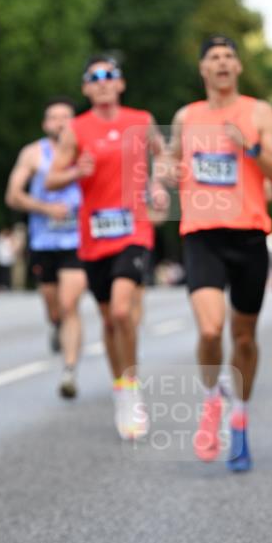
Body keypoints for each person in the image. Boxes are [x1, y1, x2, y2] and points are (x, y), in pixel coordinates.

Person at [167, 35, 272, 471]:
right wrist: (162, 173)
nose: (221, 63)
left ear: (237, 68)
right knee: (209, 330)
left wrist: (251, 148)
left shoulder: (259, 113)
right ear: (203, 69)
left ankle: (239, 420)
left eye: (228, 57)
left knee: (243, 338)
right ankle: (210, 401)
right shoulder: (187, 117)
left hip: (248, 237)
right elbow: (169, 168)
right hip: (202, 234)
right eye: (213, 57)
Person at [47, 57, 169, 436]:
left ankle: (131, 390)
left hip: (134, 228)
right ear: (86, 88)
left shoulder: (141, 119)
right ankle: (120, 387)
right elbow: (52, 177)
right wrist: (73, 172)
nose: (102, 83)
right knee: (106, 318)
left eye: (109, 76)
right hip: (95, 235)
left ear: (121, 84)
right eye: (94, 78)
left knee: (121, 312)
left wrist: (159, 183)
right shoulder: (76, 129)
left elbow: (162, 157)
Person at [5, 98, 87, 398]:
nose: (61, 122)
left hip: (78, 241)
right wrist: (45, 208)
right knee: (54, 306)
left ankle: (69, 370)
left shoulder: (85, 151)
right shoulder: (33, 153)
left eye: (66, 117)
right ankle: (56, 325)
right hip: (43, 242)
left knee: (70, 304)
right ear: (45, 124)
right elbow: (13, 196)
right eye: (54, 118)